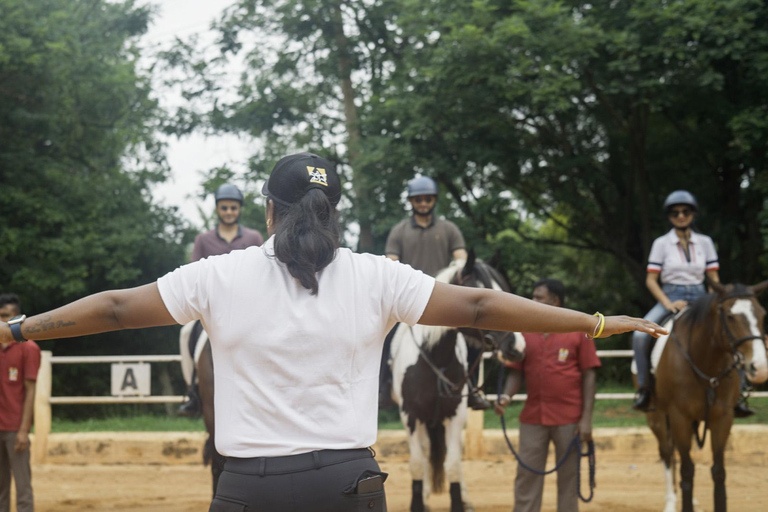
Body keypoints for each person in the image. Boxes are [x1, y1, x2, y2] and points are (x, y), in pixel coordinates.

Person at [0, 152, 666, 512]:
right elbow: (482, 310)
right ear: (334, 213)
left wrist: (18, 328)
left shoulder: (219, 275)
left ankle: (189, 392)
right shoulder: (378, 275)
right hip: (348, 487)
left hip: (247, 489)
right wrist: (597, 321)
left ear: (267, 209)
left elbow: (115, 308)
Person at [632, 190, 753, 417]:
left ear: (693, 214)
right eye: (675, 212)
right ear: (669, 216)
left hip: (702, 296)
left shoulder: (705, 242)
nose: (680, 216)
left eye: (685, 211)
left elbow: (714, 278)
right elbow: (651, 280)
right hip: (671, 295)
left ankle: (740, 391)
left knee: (730, 328)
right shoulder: (661, 243)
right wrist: (668, 304)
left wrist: (713, 300)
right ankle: (645, 388)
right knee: (640, 335)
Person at [383, 176, 493, 410]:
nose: (423, 203)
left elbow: (461, 261)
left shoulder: (449, 229)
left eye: (427, 199)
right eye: (418, 199)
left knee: (472, 337)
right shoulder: (399, 231)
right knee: (386, 338)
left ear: (434, 200)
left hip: (442, 299)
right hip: (409, 300)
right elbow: (390, 264)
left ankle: (471, 388)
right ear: (411, 201)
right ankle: (384, 387)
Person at [494, 279, 600, 512]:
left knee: (569, 479)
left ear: (555, 301)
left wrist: (586, 420)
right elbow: (515, 373)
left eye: (539, 297)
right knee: (527, 476)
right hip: (533, 418)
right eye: (533, 296)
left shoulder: (578, 328)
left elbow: (589, 375)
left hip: (569, 419)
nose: (533, 301)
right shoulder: (524, 330)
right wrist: (506, 398)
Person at [178, 183, 264, 417]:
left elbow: (263, 271)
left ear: (239, 209)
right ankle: (192, 392)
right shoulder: (204, 240)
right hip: (212, 307)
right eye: (224, 207)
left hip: (246, 305)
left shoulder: (253, 237)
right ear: (218, 209)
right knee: (185, 333)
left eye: (233, 208)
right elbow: (194, 272)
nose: (228, 212)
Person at [0, 293, 40, 512]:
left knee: (23, 489)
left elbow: (30, 390)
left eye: (6, 316)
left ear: (17, 317)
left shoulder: (29, 348)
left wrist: (24, 430)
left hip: (16, 428)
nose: (2, 321)